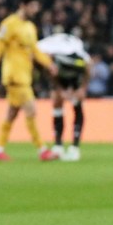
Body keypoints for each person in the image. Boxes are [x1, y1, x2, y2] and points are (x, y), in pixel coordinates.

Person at [0, 0, 59, 161]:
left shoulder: (30, 27)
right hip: (14, 76)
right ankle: (42, 150)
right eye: (33, 6)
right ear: (23, 5)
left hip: (25, 76)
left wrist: (49, 64)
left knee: (12, 113)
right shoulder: (9, 24)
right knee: (31, 110)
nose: (36, 10)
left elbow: (35, 51)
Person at [37, 32, 92, 162]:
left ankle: (75, 147)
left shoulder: (74, 56)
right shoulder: (44, 57)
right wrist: (60, 90)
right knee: (56, 101)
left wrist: (82, 88)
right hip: (61, 77)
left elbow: (89, 66)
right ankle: (58, 145)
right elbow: (49, 74)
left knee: (77, 103)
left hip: (74, 77)